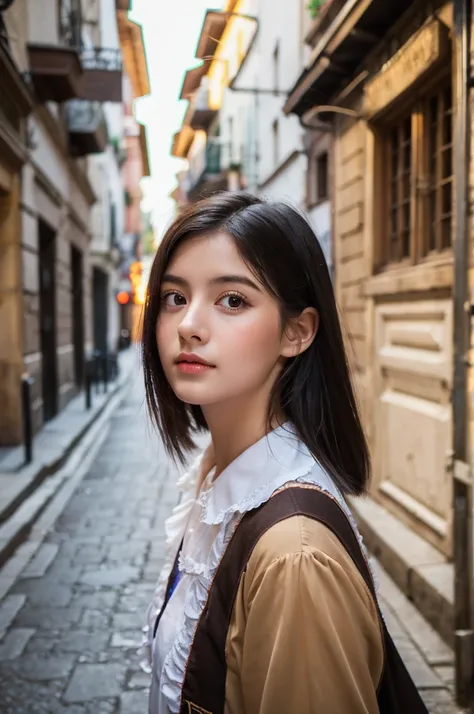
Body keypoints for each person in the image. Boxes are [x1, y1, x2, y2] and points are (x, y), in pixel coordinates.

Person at [140, 192, 417, 714]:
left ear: (297, 331)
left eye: (233, 301)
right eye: (175, 297)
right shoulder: (220, 484)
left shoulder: (294, 557)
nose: (187, 325)